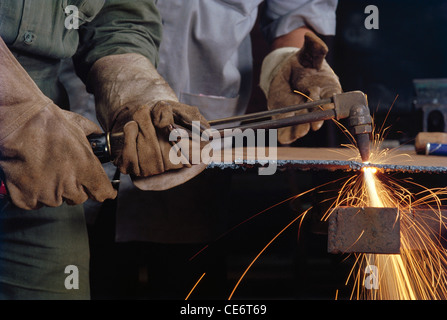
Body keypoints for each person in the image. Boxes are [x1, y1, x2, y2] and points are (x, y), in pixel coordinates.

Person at [76, 0, 342, 299]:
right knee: (82, 270)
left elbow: (295, 10)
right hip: (83, 108)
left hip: (201, 117)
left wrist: (287, 58)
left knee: (186, 282)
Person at [0, 0, 208, 299]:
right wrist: (14, 110)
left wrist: (133, 89)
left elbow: (118, 15)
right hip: (35, 130)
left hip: (50, 159)